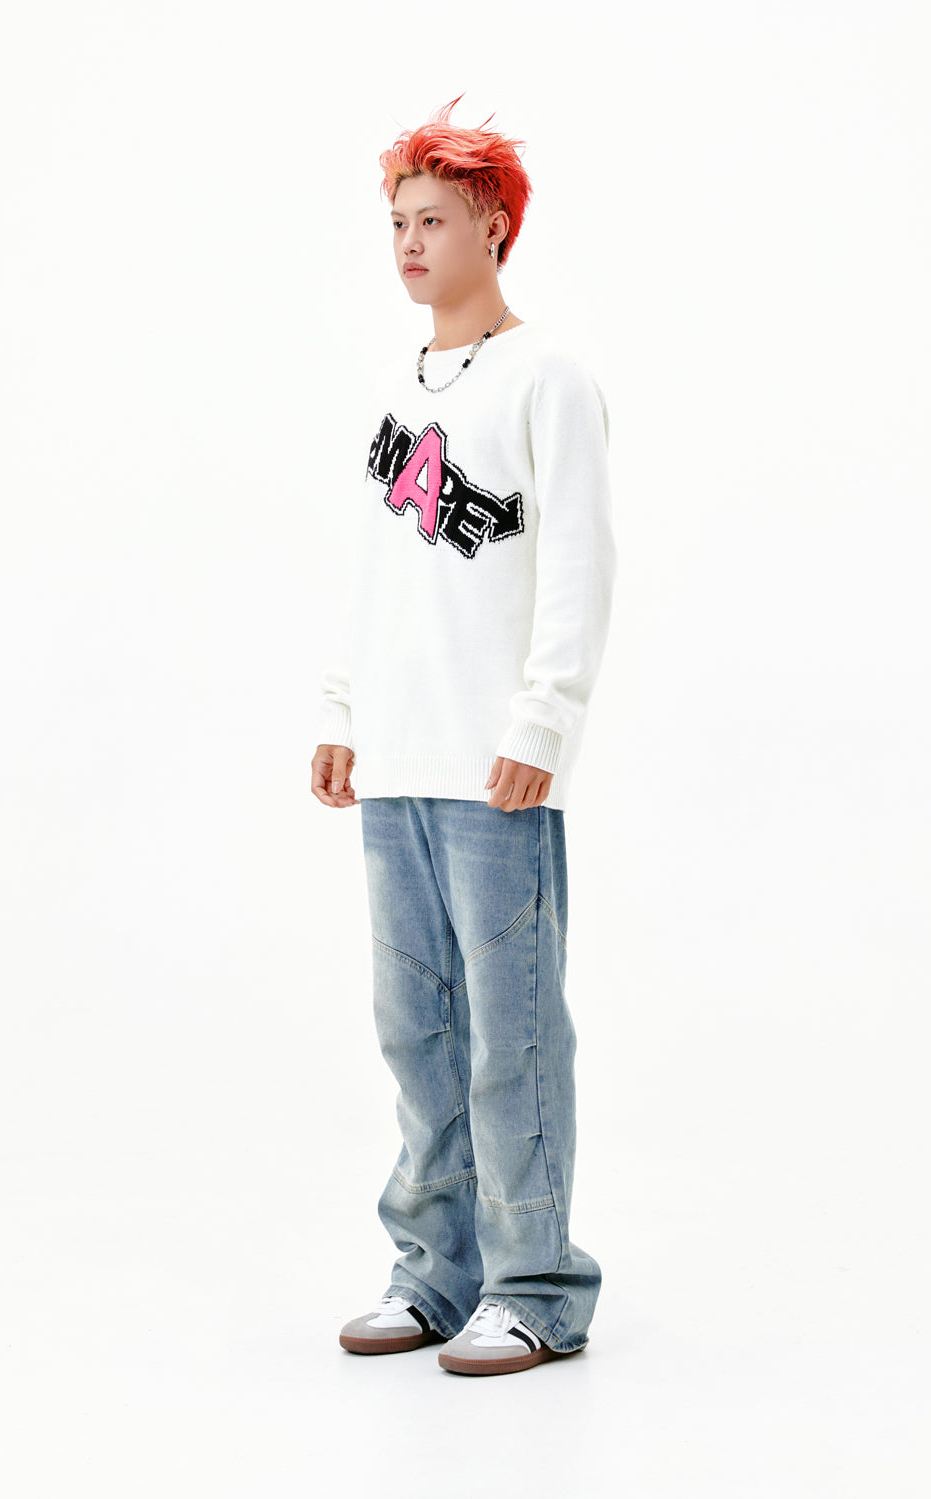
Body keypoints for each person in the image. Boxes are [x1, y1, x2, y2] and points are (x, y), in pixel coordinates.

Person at [310, 98, 617, 1376]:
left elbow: (581, 565)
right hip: (398, 762)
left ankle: (536, 1285)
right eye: (398, 222)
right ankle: (436, 1274)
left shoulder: (548, 378)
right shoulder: (396, 390)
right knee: (415, 1033)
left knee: (513, 1034)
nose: (409, 242)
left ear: (494, 226)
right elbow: (375, 570)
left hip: (496, 776)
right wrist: (341, 710)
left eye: (433, 219)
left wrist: (545, 719)